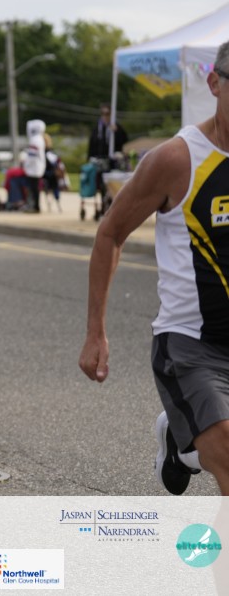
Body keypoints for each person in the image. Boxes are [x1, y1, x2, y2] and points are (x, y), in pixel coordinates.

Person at [79, 40, 229, 497]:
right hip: (190, 343)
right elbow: (110, 234)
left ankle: (183, 446)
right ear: (215, 83)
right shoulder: (176, 159)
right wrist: (95, 332)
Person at [22, 119, 46, 213]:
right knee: (35, 188)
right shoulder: (39, 139)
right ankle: (35, 206)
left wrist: (25, 166)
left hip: (33, 168)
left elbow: (32, 156)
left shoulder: (34, 140)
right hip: (37, 167)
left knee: (33, 188)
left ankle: (35, 206)